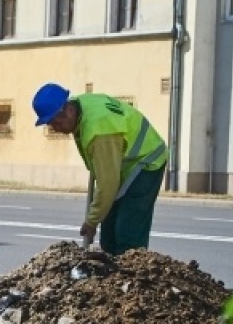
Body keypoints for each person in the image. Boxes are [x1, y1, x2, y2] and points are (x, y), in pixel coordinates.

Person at [32, 82, 168, 256]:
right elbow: (104, 174)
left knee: (127, 233)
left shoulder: (100, 131)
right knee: (109, 234)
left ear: (69, 110)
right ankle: (109, 268)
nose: (55, 128)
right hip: (123, 163)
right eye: (50, 124)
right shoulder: (81, 105)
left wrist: (91, 221)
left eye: (55, 122)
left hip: (146, 161)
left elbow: (108, 183)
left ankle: (131, 270)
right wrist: (97, 217)